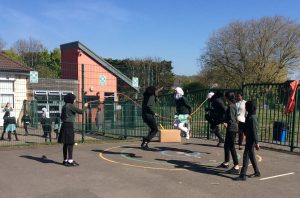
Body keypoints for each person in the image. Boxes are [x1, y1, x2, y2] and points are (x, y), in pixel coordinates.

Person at [58, 93, 88, 166]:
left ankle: (65, 160)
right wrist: (85, 106)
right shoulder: (70, 106)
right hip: (69, 125)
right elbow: (81, 112)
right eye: (74, 99)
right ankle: (70, 161)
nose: (74, 100)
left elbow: (61, 117)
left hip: (64, 125)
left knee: (65, 143)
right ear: (70, 99)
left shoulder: (64, 106)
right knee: (70, 143)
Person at [234, 101, 261, 181]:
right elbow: (247, 127)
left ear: (250, 107)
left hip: (251, 139)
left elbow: (254, 131)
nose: (245, 108)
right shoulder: (249, 116)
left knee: (246, 155)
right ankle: (257, 172)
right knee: (251, 155)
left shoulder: (252, 118)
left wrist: (257, 142)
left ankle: (243, 175)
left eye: (246, 106)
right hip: (249, 138)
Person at [217, 91, 239, 174]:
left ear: (227, 97)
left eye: (225, 97)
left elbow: (232, 119)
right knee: (226, 145)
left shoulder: (231, 107)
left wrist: (227, 123)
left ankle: (236, 166)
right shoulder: (232, 106)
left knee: (231, 146)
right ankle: (226, 162)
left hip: (232, 128)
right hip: (231, 128)